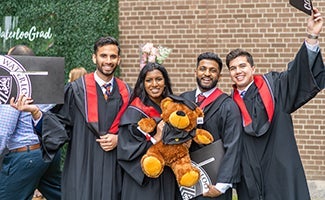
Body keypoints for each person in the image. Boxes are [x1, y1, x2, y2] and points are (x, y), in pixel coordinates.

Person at [11, 36, 131, 200]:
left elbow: (135, 130)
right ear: (94, 57)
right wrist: (35, 112)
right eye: (103, 55)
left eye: (113, 56)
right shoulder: (77, 90)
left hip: (114, 169)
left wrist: (119, 139)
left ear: (119, 59)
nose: (108, 61)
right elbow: (58, 124)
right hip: (81, 166)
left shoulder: (127, 93)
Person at [225, 8, 325, 200]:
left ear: (253, 68)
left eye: (242, 66)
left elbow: (298, 74)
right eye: (233, 68)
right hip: (250, 174)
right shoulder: (229, 105)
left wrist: (311, 36)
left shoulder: (275, 86)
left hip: (280, 167)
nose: (238, 71)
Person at [0, 45, 61, 200]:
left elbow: (4, 129)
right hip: (49, 152)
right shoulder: (45, 86)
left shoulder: (15, 87)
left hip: (25, 154)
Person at [180, 52, 242, 200]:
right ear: (195, 71)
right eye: (202, 69)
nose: (207, 74)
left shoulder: (228, 106)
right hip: (185, 181)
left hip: (213, 185)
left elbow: (233, 146)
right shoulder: (183, 100)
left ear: (219, 76)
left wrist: (221, 186)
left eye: (213, 70)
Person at [117, 62, 182, 200]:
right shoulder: (134, 112)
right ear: (143, 83)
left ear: (165, 82)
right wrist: (156, 138)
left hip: (168, 176)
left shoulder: (173, 107)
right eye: (149, 80)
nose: (154, 84)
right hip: (144, 182)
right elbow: (126, 150)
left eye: (159, 79)